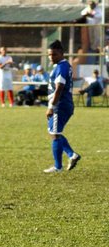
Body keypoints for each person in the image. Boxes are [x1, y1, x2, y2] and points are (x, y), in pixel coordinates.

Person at [44, 40, 81, 174]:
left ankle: (58, 166)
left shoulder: (61, 67)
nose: (51, 57)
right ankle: (71, 155)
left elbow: (60, 87)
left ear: (61, 53)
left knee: (54, 134)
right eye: (49, 55)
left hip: (60, 105)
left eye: (54, 54)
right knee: (55, 133)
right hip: (63, 104)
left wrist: (52, 106)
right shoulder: (63, 65)